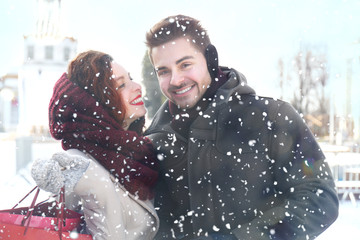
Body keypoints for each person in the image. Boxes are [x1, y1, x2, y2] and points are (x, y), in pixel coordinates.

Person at [144, 14, 339, 240]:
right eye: (163, 71)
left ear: (210, 59)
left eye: (185, 64)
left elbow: (319, 195)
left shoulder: (273, 118)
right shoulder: (155, 140)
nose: (176, 80)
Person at [31, 50, 159, 240]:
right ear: (95, 105)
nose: (137, 87)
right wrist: (98, 189)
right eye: (121, 85)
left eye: (130, 79)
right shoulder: (79, 165)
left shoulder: (135, 152)